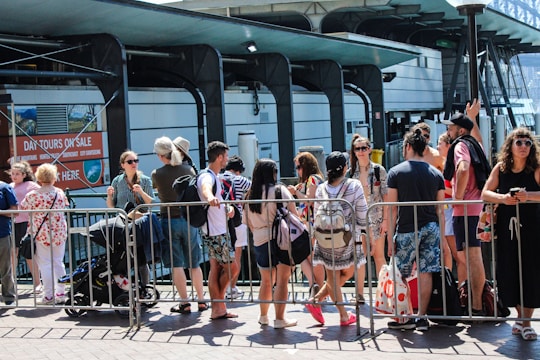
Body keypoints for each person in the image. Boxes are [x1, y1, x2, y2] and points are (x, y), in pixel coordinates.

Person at [481, 128, 540, 341]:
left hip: (532, 228)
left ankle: (526, 322)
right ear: (511, 146)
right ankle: (519, 319)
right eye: (519, 143)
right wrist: (503, 198)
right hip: (507, 229)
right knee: (509, 270)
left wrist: (527, 196)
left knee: (531, 271)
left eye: (527, 143)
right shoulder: (501, 168)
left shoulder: (536, 168)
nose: (524, 146)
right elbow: (485, 193)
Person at [385, 129, 445, 331]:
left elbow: (391, 208)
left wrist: (388, 238)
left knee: (400, 272)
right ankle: (422, 316)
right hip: (431, 227)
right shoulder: (436, 173)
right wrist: (442, 238)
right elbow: (441, 209)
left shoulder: (395, 172)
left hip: (407, 228)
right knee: (426, 272)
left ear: (408, 147)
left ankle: (405, 316)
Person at [306, 151, 368, 326]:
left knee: (334, 275)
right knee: (346, 272)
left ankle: (316, 300)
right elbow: (362, 211)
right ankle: (343, 315)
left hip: (325, 237)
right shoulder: (354, 186)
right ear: (345, 168)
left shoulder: (321, 188)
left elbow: (316, 211)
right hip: (347, 236)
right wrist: (365, 229)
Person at [442, 103, 489, 317]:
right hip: (476, 208)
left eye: (450, 128)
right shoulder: (474, 144)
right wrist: (473, 118)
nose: (447, 131)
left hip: (467, 209)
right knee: (471, 256)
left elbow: (462, 168)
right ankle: (475, 303)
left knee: (472, 257)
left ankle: (477, 307)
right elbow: (479, 139)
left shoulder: (461, 145)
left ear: (460, 130)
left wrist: (457, 198)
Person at [152, 136, 207, 314]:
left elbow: (157, 191)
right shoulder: (189, 170)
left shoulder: (157, 174)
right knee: (194, 263)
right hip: (189, 219)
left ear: (161, 155)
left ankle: (184, 302)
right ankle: (201, 300)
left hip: (169, 220)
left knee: (177, 264)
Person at [243, 158, 298, 329]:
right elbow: (294, 215)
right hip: (280, 240)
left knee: (266, 281)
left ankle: (263, 316)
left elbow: (248, 223)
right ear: (273, 173)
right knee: (282, 280)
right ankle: (280, 319)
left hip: (259, 241)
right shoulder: (279, 191)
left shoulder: (249, 196)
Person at [197, 141, 238, 320]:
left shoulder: (211, 175)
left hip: (212, 229)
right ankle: (218, 304)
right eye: (226, 156)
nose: (227, 160)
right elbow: (206, 189)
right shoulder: (208, 176)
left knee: (215, 268)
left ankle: (218, 308)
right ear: (220, 157)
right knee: (232, 268)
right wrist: (210, 197)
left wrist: (225, 206)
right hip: (216, 231)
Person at [20, 163, 69, 305]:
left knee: (45, 264)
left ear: (39, 178)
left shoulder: (33, 195)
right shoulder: (59, 193)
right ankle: (60, 293)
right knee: (58, 262)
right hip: (59, 233)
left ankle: (48, 295)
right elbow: (65, 205)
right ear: (53, 177)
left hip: (41, 234)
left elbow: (23, 207)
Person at [348, 135, 388, 304]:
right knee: (360, 258)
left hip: (377, 219)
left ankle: (384, 294)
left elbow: (386, 197)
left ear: (370, 149)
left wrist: (386, 220)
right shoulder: (350, 173)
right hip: (358, 221)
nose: (361, 151)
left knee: (379, 256)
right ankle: (359, 295)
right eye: (358, 148)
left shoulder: (379, 170)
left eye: (364, 148)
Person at [106, 150, 154, 287]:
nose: (134, 164)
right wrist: (109, 196)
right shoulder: (117, 181)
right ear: (123, 165)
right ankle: (126, 289)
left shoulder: (145, 180)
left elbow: (152, 202)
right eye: (130, 161)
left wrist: (141, 192)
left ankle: (145, 288)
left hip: (139, 224)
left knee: (141, 259)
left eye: (136, 161)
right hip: (122, 224)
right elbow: (112, 206)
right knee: (124, 258)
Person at [286, 151, 325, 298]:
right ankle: (315, 287)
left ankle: (319, 289)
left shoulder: (313, 179)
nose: (297, 171)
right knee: (306, 256)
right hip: (306, 223)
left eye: (299, 167)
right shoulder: (310, 180)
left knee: (313, 257)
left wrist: (295, 192)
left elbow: (309, 200)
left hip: (312, 223)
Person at [221, 155, 252, 300]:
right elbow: (255, 189)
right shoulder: (240, 180)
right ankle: (232, 288)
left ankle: (222, 288)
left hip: (219, 222)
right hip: (237, 222)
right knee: (237, 256)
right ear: (238, 170)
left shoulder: (218, 178)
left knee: (221, 258)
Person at [8, 161, 41, 293]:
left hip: (26, 222)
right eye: (12, 174)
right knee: (12, 253)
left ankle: (37, 282)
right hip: (12, 222)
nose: (14, 176)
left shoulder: (31, 186)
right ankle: (12, 282)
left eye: (17, 174)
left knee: (29, 253)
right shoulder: (9, 186)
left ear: (24, 174)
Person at [437, 133, 463, 281]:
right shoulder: (446, 163)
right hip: (446, 209)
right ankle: (451, 285)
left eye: (440, 144)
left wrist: (438, 186)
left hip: (449, 209)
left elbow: (453, 190)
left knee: (455, 253)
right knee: (448, 251)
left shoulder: (451, 164)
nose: (437, 147)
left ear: (448, 145)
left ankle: (460, 286)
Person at [0, 180, 18, 305]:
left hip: (2, 233)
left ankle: (9, 296)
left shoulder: (4, 187)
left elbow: (15, 211)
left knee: (5, 266)